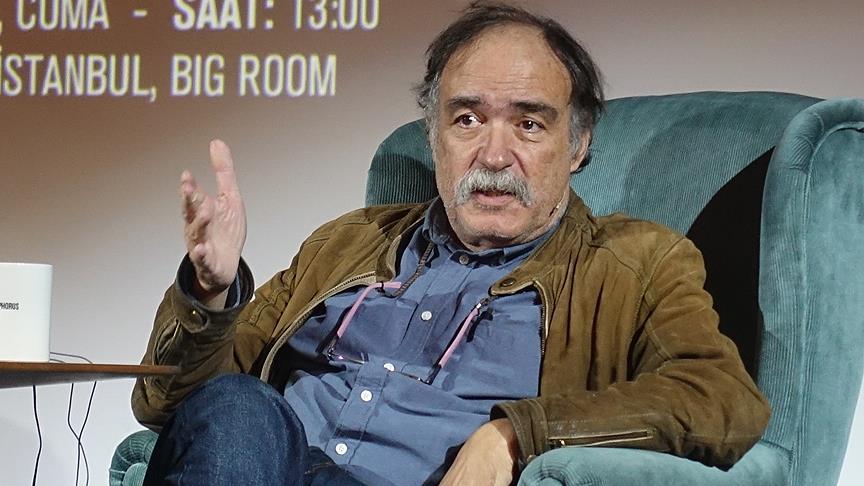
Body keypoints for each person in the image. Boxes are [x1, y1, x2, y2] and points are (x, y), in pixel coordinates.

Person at [133, 2, 770, 485]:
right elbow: (170, 405)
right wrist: (210, 295)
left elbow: (720, 399)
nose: (493, 154)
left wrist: (517, 434)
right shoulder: (347, 241)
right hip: (269, 468)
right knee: (237, 404)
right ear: (433, 136)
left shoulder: (635, 263)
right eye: (467, 119)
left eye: (529, 123)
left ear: (577, 145)